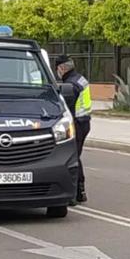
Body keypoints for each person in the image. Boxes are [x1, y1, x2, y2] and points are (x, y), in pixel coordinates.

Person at [54, 55, 91, 206]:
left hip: (76, 123)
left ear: (62, 68)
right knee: (75, 156)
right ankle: (80, 192)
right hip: (84, 121)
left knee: (72, 158)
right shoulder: (80, 79)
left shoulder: (71, 85)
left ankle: (75, 193)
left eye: (57, 69)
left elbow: (64, 110)